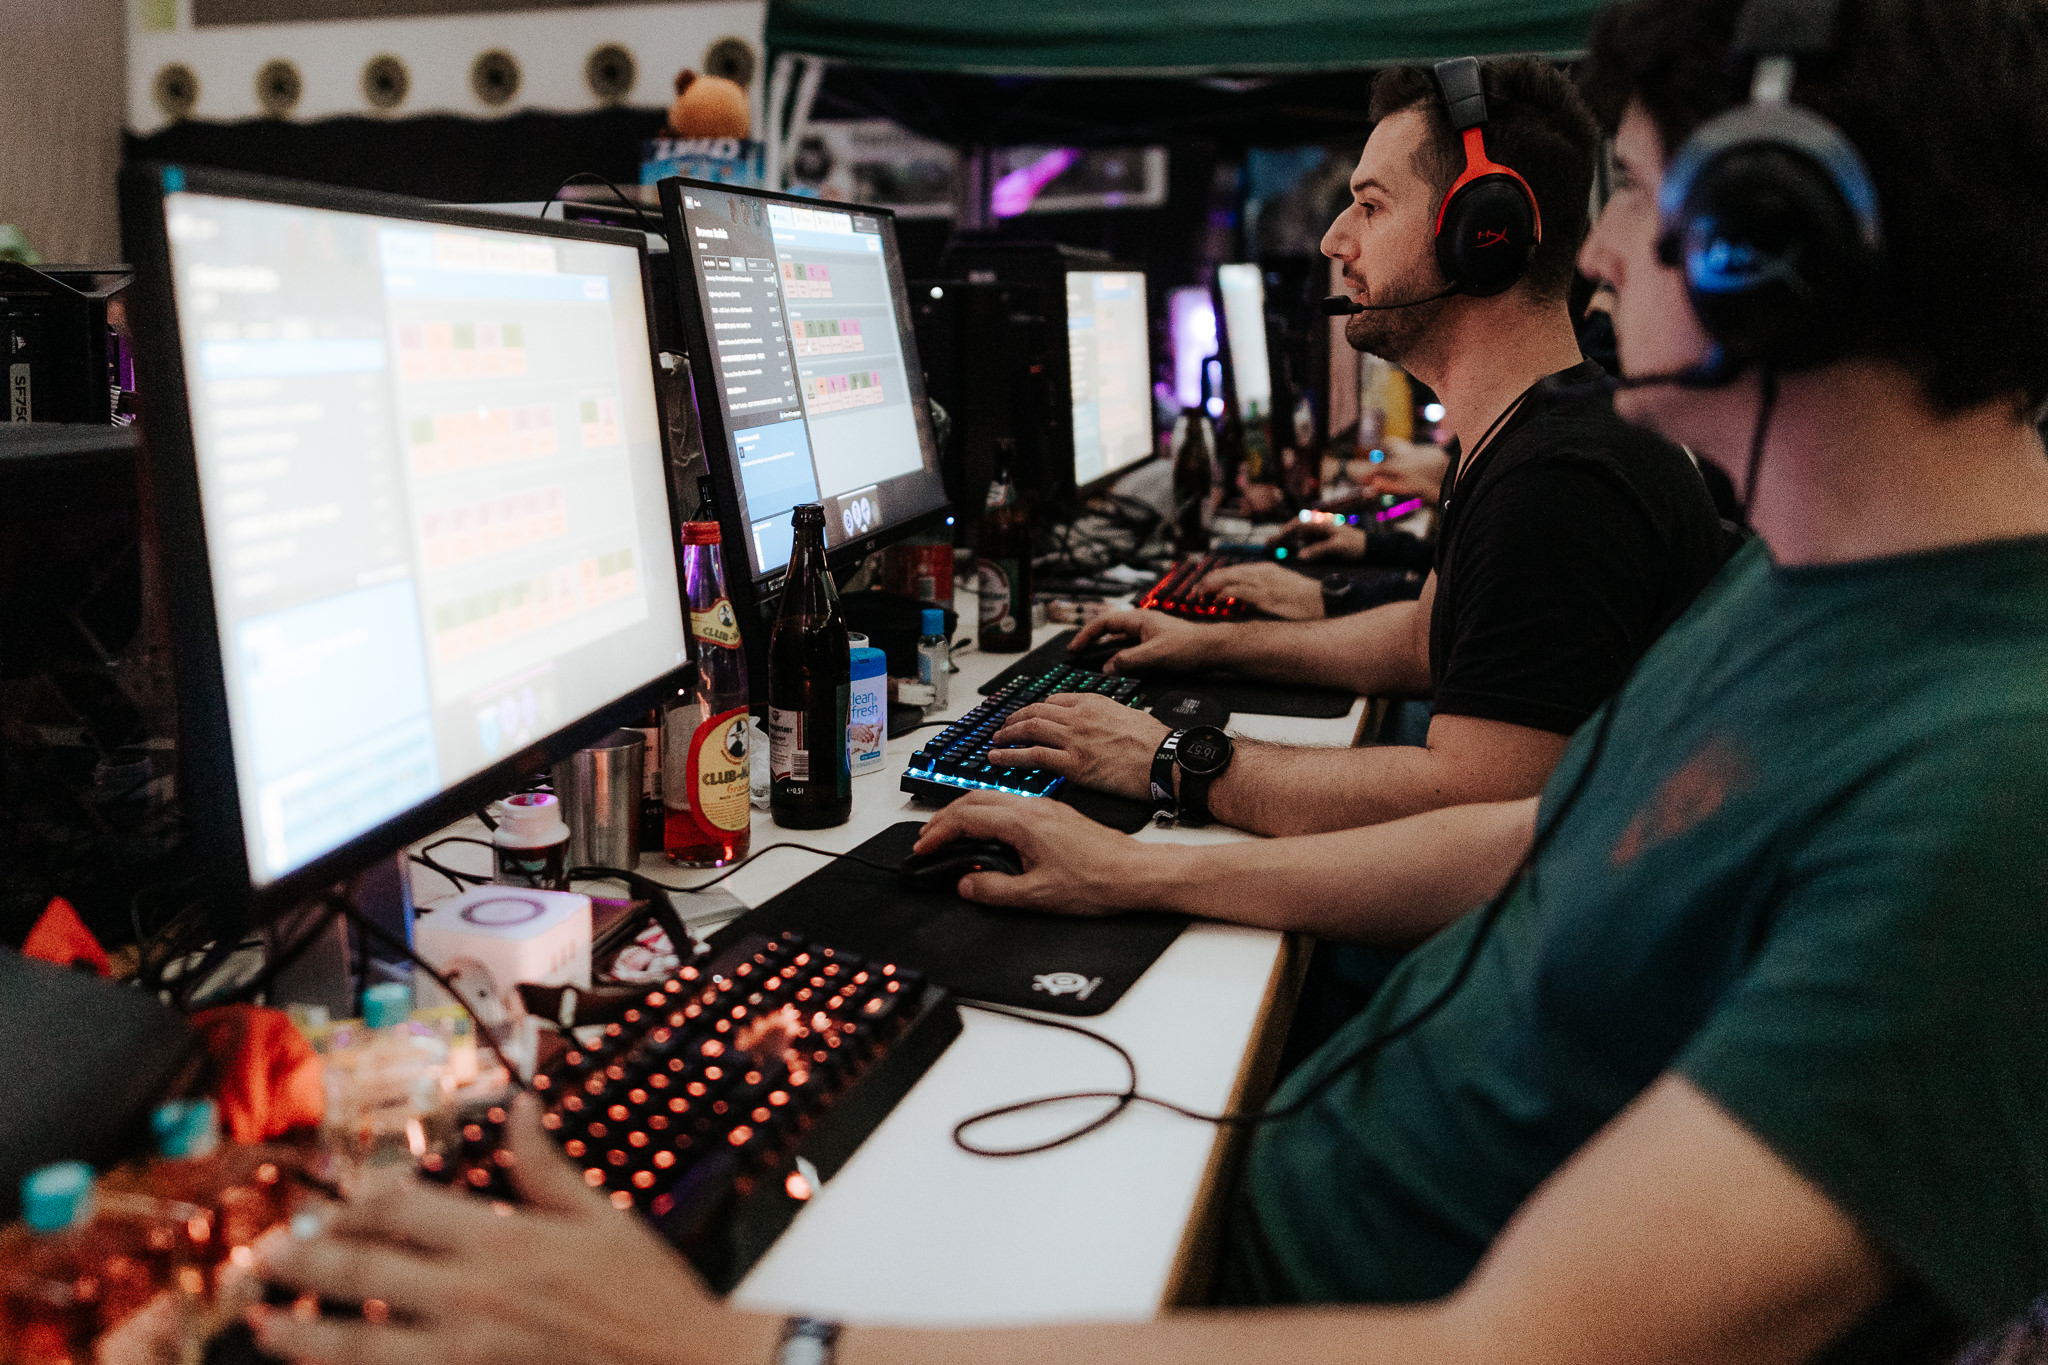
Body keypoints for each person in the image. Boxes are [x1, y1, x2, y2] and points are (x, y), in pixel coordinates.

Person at [246, 0, 2048, 1360]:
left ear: (1776, 243)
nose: (1591, 251)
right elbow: (1538, 836)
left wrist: (734, 1352)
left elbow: (1504, 1349)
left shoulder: (1989, 790)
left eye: (1637, 197)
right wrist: (1146, 861)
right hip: (1270, 1179)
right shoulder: (1812, 588)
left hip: (1268, 1289)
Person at [992, 60, 1726, 837]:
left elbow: (1471, 803)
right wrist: (1208, 643)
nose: (1333, 239)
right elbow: (1421, 641)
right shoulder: (1525, 430)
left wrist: (1166, 760)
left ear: (1486, 233)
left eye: (1370, 206)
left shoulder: (1561, 485)